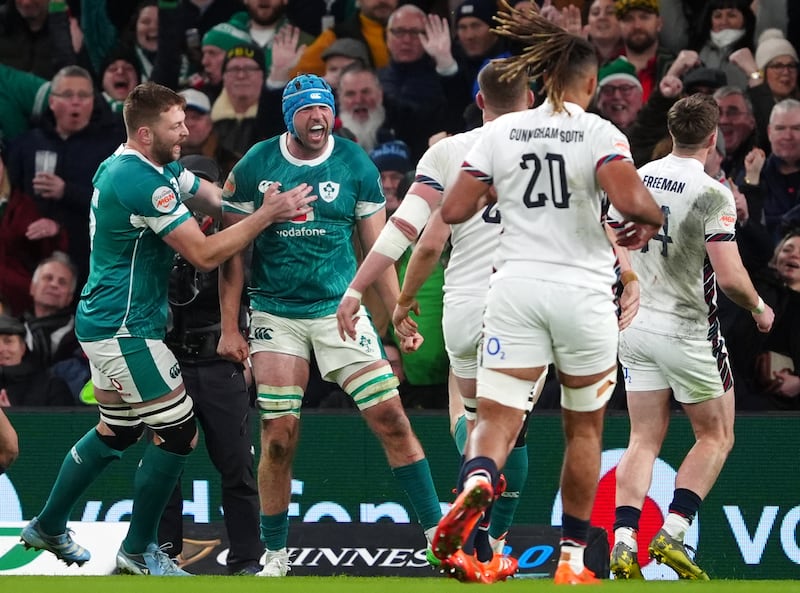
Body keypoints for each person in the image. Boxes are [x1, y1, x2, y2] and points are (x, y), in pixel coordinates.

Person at [19, 81, 314, 576]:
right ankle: (138, 550)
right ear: (144, 132)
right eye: (175, 125)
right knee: (177, 430)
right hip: (123, 328)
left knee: (118, 430)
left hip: (113, 322)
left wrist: (272, 208)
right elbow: (203, 253)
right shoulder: (140, 181)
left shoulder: (154, 167)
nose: (185, 132)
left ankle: (48, 524)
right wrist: (265, 217)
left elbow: (218, 202)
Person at [428, 2, 664, 585]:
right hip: (582, 295)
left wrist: (503, 190)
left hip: (512, 291)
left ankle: (478, 478)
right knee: (583, 430)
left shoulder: (502, 130)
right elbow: (632, 203)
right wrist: (649, 219)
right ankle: (573, 560)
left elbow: (454, 209)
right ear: (587, 82)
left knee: (496, 422)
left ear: (539, 80)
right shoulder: (598, 131)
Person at [217, 73, 443, 577]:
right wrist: (230, 327)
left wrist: (398, 312)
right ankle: (275, 557)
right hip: (276, 312)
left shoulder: (355, 163)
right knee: (278, 435)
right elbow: (232, 256)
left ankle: (437, 536)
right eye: (308, 110)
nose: (319, 118)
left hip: (339, 312)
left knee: (392, 419)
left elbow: (378, 249)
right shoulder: (256, 165)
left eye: (325, 109)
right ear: (289, 116)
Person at [608, 94, 775, 580]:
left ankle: (622, 541)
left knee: (642, 437)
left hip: (634, 326)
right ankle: (673, 531)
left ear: (672, 130)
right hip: (685, 332)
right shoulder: (711, 192)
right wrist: (760, 308)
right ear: (712, 136)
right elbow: (729, 276)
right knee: (716, 434)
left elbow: (615, 235)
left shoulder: (640, 174)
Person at [157, 154, 262, 576]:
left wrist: (250, 345)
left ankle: (247, 562)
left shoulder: (239, 239)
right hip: (168, 361)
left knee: (238, 464)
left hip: (220, 361)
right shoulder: (158, 233)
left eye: (203, 190)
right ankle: (162, 555)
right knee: (166, 465)